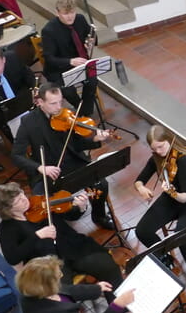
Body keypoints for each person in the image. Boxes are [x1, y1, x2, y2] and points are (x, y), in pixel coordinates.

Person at [0, 183, 133, 313]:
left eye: (21, 194)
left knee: (108, 266)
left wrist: (80, 207)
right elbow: (12, 257)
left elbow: (69, 214)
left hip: (74, 249)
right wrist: (37, 236)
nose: (24, 199)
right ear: (7, 209)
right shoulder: (7, 228)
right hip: (50, 264)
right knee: (62, 294)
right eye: (18, 200)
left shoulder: (41, 203)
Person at [11, 83, 114, 228]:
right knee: (42, 204)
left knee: (101, 184)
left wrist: (95, 139)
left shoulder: (66, 116)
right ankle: (65, 224)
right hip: (47, 173)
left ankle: (99, 216)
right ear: (40, 102)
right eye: (53, 103)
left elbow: (77, 144)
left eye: (60, 101)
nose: (59, 107)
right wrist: (40, 168)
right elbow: (16, 155)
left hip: (74, 163)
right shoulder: (29, 122)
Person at [132, 125, 186, 300]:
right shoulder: (156, 157)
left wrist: (171, 192)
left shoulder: (184, 161)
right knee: (142, 231)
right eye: (154, 149)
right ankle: (165, 257)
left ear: (170, 140)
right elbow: (139, 180)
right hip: (172, 197)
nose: (159, 152)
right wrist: (142, 188)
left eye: (161, 147)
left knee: (181, 236)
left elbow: (185, 197)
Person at [40, 0, 100, 111]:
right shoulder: (49, 30)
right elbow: (49, 58)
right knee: (68, 90)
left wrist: (91, 41)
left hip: (81, 63)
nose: (70, 17)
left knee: (92, 81)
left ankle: (84, 111)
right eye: (65, 14)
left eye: (72, 12)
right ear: (57, 13)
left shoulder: (80, 19)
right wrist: (70, 61)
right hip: (59, 68)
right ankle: (81, 109)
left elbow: (91, 36)